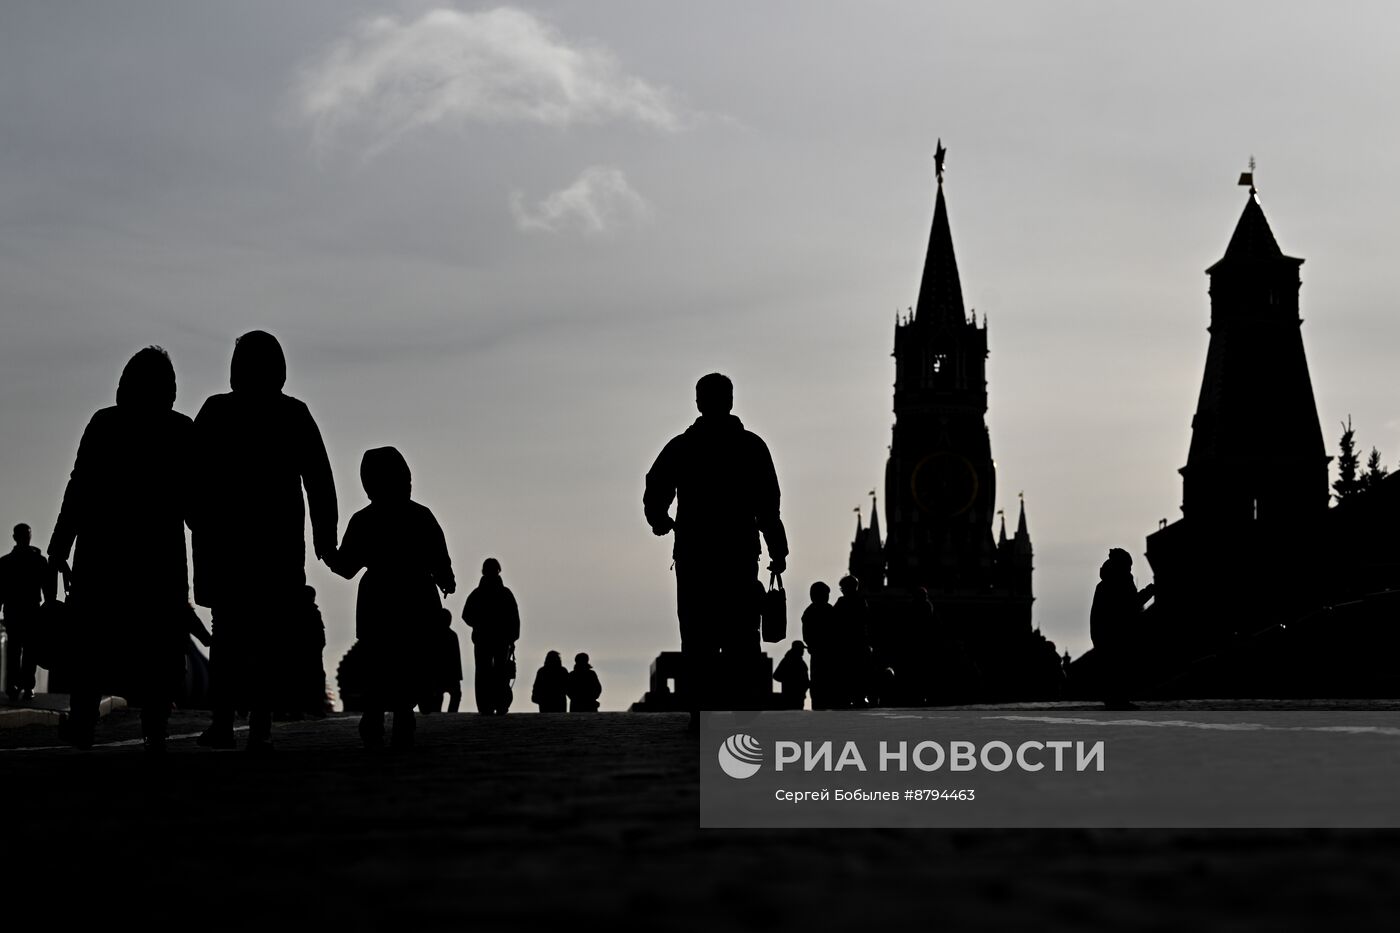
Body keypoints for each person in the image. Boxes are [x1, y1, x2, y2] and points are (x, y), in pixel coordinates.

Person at [191, 331, 338, 752]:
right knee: (267, 637)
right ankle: (259, 723)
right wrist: (325, 537)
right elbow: (320, 482)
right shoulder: (293, 414)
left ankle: (224, 722)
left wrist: (195, 516)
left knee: (229, 633)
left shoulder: (216, 411)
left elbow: (190, 472)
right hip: (275, 542)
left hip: (226, 542)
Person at [47, 347, 196, 750]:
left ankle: (81, 722)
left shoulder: (104, 424)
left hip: (103, 554)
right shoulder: (182, 431)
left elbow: (78, 487)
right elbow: (195, 502)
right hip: (159, 556)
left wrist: (60, 544)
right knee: (160, 643)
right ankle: (156, 727)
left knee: (92, 643)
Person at [644, 373, 788, 717]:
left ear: (698, 402)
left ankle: (701, 708)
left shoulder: (683, 446)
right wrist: (778, 550)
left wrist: (660, 520)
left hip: (695, 553)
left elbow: (656, 485)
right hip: (738, 552)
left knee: (697, 633)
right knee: (740, 632)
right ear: (731, 400)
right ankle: (742, 706)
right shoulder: (751, 446)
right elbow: (769, 504)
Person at [330, 447, 455, 749]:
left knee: (378, 662)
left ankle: (373, 717)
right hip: (416, 596)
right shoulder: (421, 515)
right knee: (410, 660)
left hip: (378, 596)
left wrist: (326, 554)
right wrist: (445, 580)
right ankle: (402, 715)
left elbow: (347, 567)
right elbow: (440, 558)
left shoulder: (364, 520)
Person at [1089, 547, 1155, 710]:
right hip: (1115, 635)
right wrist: (1149, 592)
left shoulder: (1104, 584)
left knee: (1113, 668)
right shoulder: (1119, 583)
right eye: (1128, 566)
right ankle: (1118, 701)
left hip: (1104, 635)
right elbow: (1129, 605)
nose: (1130, 569)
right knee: (1119, 667)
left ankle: (1115, 700)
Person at [461, 558, 519, 715]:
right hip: (500, 639)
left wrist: (479, 624)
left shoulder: (477, 594)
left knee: (482, 673)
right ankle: (500, 704)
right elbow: (514, 617)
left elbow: (466, 615)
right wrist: (512, 637)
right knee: (500, 672)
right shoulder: (505, 594)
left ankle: (484, 705)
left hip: (483, 638)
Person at [0, 523, 48, 701]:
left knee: (19, 650)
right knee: (27, 651)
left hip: (17, 611)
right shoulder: (38, 561)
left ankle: (18, 685)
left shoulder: (6, 562)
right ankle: (26, 686)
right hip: (28, 611)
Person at [832, 575, 870, 708]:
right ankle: (858, 696)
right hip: (856, 642)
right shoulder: (860, 601)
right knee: (858, 671)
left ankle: (851, 696)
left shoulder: (842, 602)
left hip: (847, 644)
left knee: (850, 671)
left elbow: (834, 622)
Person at [418, 608, 464, 714]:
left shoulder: (433, 636)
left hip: (438, 674)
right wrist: (458, 676)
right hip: (449, 674)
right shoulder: (452, 635)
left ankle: (440, 713)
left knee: (440, 695)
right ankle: (450, 713)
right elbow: (456, 658)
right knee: (453, 694)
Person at [800, 582, 834, 709]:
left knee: (819, 684)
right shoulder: (829, 611)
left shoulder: (809, 612)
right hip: (826, 654)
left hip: (819, 653)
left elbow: (807, 636)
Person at [772, 640, 810, 710]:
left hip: (799, 696)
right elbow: (776, 676)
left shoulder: (800, 662)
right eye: (801, 649)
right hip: (791, 697)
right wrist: (790, 682)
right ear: (797, 649)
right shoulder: (788, 660)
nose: (803, 651)